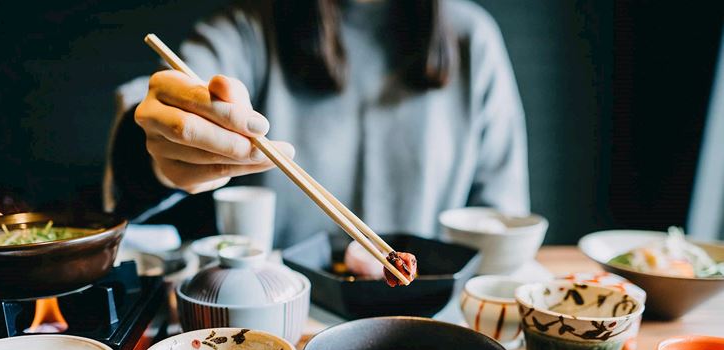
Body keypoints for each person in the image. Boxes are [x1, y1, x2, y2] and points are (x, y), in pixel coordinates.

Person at [107, 0, 529, 249]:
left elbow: (501, 224)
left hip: (433, 323)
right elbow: (171, 100)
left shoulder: (472, 39)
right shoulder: (248, 29)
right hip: (282, 320)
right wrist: (163, 152)